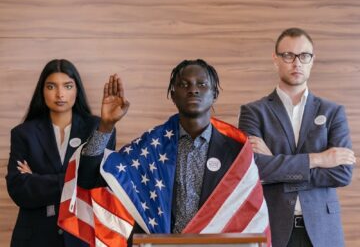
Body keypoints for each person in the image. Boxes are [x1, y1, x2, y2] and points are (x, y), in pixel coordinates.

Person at [78, 59, 270, 245]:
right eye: (184, 84)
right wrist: (106, 126)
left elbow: (252, 218)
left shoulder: (236, 153)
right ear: (172, 94)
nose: (193, 89)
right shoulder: (151, 147)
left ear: (214, 94)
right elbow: (88, 178)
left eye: (201, 84)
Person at [238, 28, 356, 247]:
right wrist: (318, 159)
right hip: (273, 228)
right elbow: (254, 169)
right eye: (288, 55)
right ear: (276, 59)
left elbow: (342, 173)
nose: (297, 63)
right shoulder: (254, 112)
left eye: (304, 56)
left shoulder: (332, 112)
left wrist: (277, 164)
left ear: (312, 60)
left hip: (323, 231)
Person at [6, 59, 116, 247]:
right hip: (35, 238)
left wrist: (37, 179)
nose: (60, 94)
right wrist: (77, 180)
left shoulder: (98, 128)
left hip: (82, 237)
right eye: (51, 86)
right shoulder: (23, 133)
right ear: (42, 91)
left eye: (67, 86)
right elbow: (19, 189)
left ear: (77, 90)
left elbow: (99, 184)